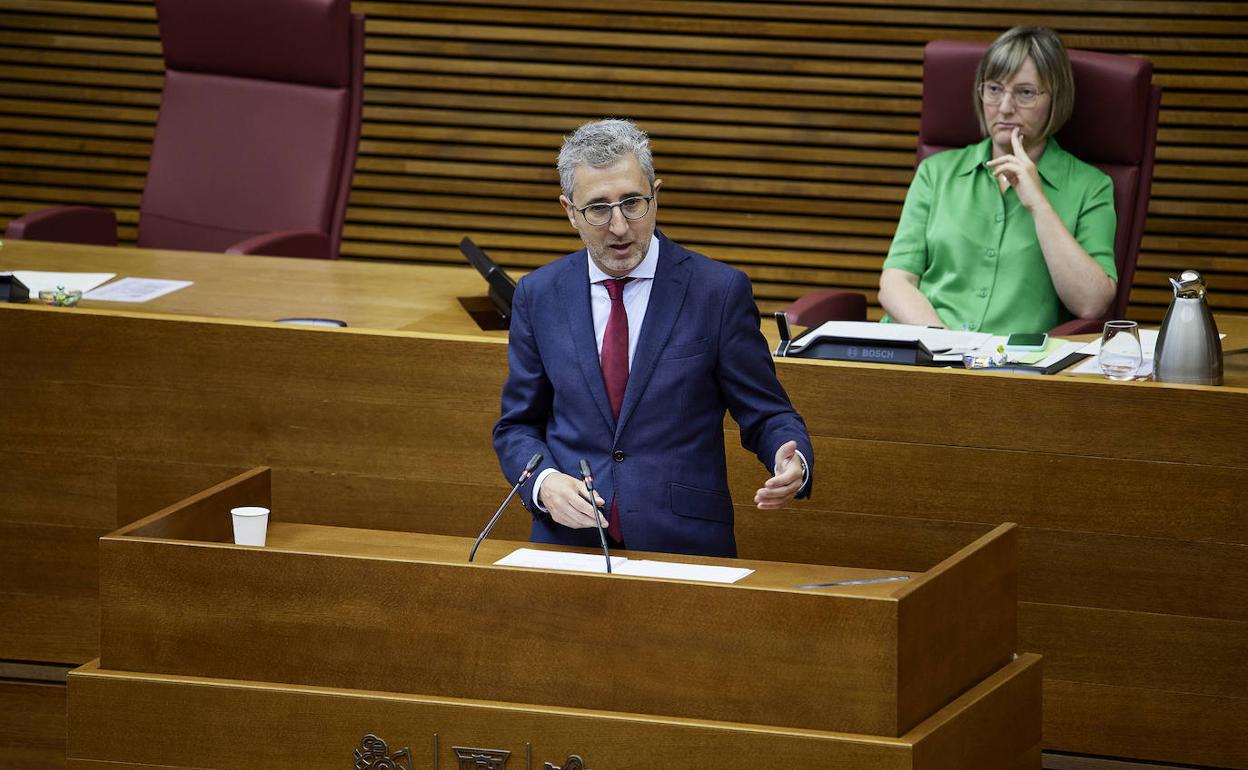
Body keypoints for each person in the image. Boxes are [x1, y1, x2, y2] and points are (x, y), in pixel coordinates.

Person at [493, 118, 813, 558]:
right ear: (569, 211)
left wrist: (790, 459)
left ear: (656, 196)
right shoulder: (539, 294)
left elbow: (767, 413)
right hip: (570, 543)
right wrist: (545, 485)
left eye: (632, 203)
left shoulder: (716, 292)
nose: (620, 227)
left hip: (684, 543)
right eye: (598, 209)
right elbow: (517, 426)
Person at [879, 26, 1118, 335]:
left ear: (1056, 99)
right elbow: (895, 282)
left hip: (1010, 369)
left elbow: (1092, 304)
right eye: (994, 89)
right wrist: (943, 348)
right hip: (923, 349)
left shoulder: (1091, 186)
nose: (1005, 107)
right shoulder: (936, 172)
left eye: (1025, 92)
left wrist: (1038, 204)